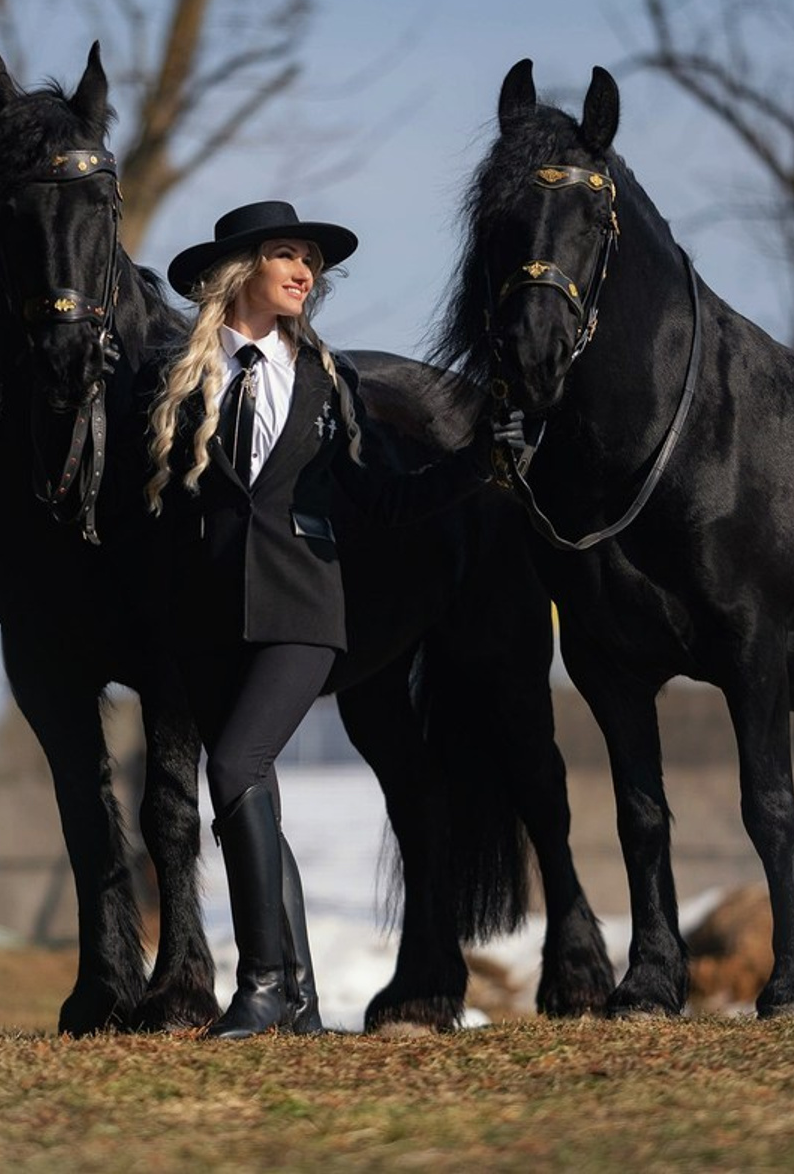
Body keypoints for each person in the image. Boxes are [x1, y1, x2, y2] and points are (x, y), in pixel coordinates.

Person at [145, 201, 522, 1040]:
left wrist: (478, 462)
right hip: (207, 618)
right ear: (241, 270)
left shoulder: (326, 380)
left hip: (303, 604)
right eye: (287, 255)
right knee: (251, 796)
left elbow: (383, 498)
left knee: (234, 767)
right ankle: (303, 1005)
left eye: (311, 260)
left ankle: (263, 986)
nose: (305, 272)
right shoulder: (181, 376)